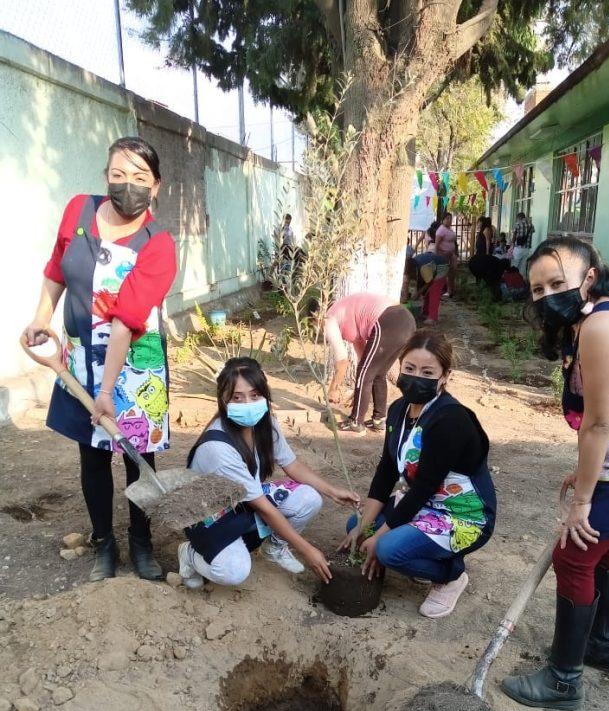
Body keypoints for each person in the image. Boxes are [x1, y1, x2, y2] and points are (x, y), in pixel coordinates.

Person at [502, 236, 609, 711]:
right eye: (537, 290)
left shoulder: (602, 326)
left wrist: (582, 499)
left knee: (576, 552)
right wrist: (584, 473)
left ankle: (563, 680)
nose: (546, 296)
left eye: (558, 283)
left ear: (589, 278)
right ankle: (603, 646)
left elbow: (599, 423)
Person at [22, 137, 177, 582]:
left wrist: (107, 392)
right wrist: (41, 318)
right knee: (91, 456)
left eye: (139, 178)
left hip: (133, 367)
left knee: (136, 455)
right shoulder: (79, 211)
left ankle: (142, 543)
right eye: (118, 175)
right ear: (105, 176)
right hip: (78, 360)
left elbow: (127, 320)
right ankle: (104, 543)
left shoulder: (158, 245)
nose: (127, 185)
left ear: (156, 186)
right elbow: (57, 268)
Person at [340, 330, 497, 617]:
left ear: (445, 376)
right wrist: (365, 527)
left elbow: (423, 486)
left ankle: (450, 576)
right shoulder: (399, 409)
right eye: (409, 369)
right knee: (356, 525)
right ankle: (417, 551)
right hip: (421, 505)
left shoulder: (451, 420)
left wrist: (380, 539)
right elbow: (387, 470)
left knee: (387, 549)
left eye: (428, 372)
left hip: (460, 514)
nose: (416, 377)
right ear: (399, 367)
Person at [178, 357, 359, 589]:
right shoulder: (218, 449)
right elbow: (263, 507)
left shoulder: (266, 424)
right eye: (237, 397)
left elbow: (291, 465)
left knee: (310, 498)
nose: (248, 403)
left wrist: (332, 491)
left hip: (244, 501)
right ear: (223, 401)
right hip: (211, 515)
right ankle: (190, 554)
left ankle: (274, 546)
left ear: (264, 394)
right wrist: (306, 550)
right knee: (233, 572)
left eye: (254, 395)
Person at [324, 292, 416, 433]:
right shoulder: (346, 312)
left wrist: (333, 389)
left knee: (366, 373)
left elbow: (342, 361)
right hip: (407, 321)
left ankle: (356, 422)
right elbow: (365, 363)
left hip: (389, 320)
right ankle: (379, 419)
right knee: (378, 373)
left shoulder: (328, 318)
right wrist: (360, 392)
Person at [404, 251, 450, 324]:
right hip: (431, 269)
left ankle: (433, 318)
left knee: (434, 292)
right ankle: (425, 313)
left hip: (441, 267)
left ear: (411, 269)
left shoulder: (423, 268)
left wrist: (418, 293)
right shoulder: (413, 267)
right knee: (427, 293)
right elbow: (420, 280)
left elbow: (429, 283)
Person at [468, 216, 507, 296]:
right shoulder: (482, 230)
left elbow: (488, 242)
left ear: (482, 222)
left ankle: (483, 287)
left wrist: (487, 253)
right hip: (480, 252)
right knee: (478, 269)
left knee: (482, 269)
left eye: (479, 222)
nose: (478, 224)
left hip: (483, 253)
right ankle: (479, 286)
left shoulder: (486, 229)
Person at [434, 212, 458, 298]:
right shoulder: (441, 230)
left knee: (452, 272)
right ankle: (444, 290)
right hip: (443, 254)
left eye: (450, 218)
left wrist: (455, 253)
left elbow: (454, 242)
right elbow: (437, 244)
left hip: (452, 254)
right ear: (443, 220)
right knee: (445, 273)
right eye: (447, 218)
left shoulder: (450, 229)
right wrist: (437, 256)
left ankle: (451, 290)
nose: (449, 220)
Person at [511, 211, 535, 277]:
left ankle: (513, 281)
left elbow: (514, 236)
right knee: (523, 268)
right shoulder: (531, 225)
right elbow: (532, 232)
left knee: (514, 265)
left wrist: (512, 246)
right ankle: (521, 283)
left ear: (519, 218)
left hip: (518, 248)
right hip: (527, 249)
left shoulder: (517, 224)